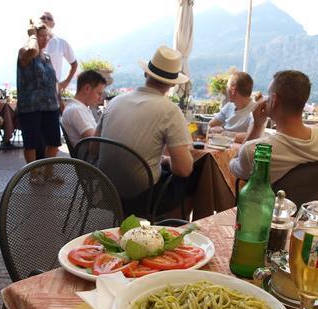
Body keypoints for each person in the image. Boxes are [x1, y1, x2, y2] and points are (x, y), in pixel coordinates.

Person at [97, 45, 193, 214]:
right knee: (192, 177)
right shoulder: (169, 110)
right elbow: (183, 169)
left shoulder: (116, 101)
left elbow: (92, 147)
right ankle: (170, 232)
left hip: (104, 187)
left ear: (146, 73)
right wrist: (167, 162)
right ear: (172, 83)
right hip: (140, 197)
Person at [230, 70, 318, 183]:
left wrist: (257, 126)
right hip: (309, 211)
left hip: (267, 211)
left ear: (274, 100)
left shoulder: (254, 151)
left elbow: (234, 166)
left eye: (268, 96)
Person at [16, 19, 61, 182]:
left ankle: (49, 173)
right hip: (30, 106)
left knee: (54, 140)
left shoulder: (47, 57)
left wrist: (59, 99)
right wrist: (32, 36)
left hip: (50, 105)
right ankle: (33, 175)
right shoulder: (25, 51)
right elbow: (32, 51)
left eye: (46, 36)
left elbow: (53, 80)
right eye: (41, 36)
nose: (45, 39)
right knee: (32, 142)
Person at [208, 71, 256, 143]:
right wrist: (212, 130)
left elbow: (250, 136)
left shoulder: (255, 110)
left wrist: (223, 134)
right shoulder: (229, 106)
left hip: (240, 152)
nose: (226, 90)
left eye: (227, 87)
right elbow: (210, 125)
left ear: (233, 90)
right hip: (224, 147)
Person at [61, 70, 106, 147]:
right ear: (87, 89)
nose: (100, 98)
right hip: (91, 158)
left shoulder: (78, 108)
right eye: (99, 93)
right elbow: (95, 143)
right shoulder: (76, 110)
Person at [40, 11, 77, 91]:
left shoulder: (61, 43)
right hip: (34, 92)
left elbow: (74, 64)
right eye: (42, 18)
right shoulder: (31, 43)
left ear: (53, 24)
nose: (45, 20)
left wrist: (66, 82)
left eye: (49, 19)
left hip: (52, 91)